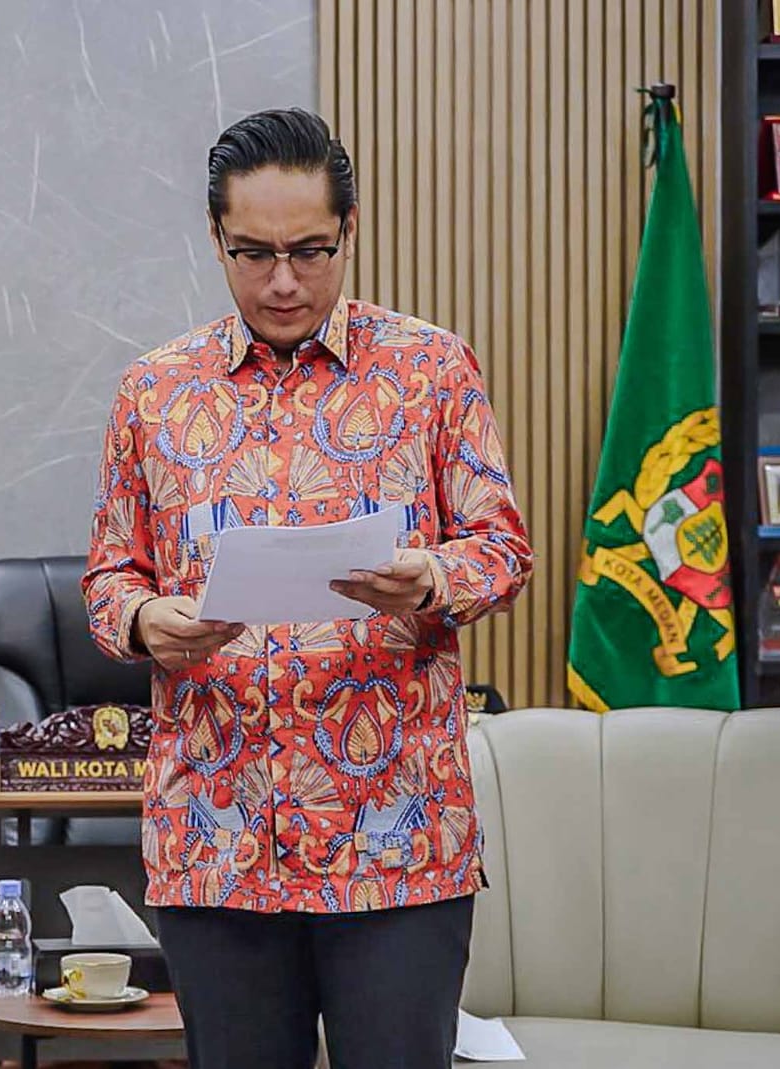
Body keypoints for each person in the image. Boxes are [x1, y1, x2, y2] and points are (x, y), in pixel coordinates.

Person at [84, 107, 532, 1069]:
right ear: (216, 238)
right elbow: (110, 575)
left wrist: (433, 576)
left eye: (309, 251)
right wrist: (145, 618)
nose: (282, 281)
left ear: (350, 230)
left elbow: (502, 547)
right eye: (253, 254)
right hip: (217, 838)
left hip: (396, 838)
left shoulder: (430, 369)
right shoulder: (155, 391)